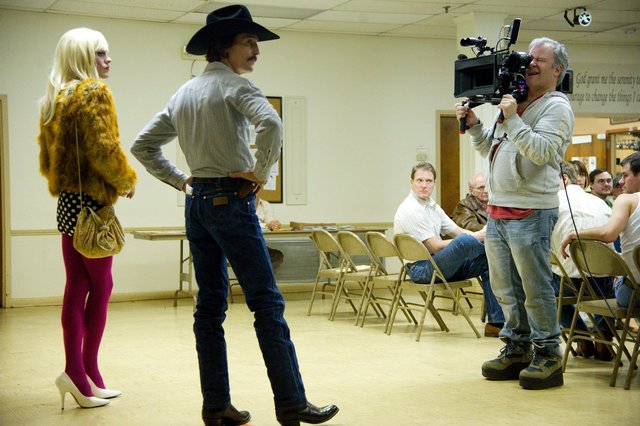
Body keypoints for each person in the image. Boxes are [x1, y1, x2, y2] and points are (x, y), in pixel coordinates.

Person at [130, 5, 338, 426]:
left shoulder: (184, 93)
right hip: (232, 200)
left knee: (209, 308)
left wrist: (181, 181)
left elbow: (142, 145)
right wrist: (261, 174)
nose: (256, 50)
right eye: (248, 41)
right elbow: (273, 125)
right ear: (223, 47)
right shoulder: (236, 87)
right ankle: (292, 402)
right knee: (266, 302)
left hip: (198, 205)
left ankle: (215, 406)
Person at [455, 37, 574, 390]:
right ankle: (518, 348)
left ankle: (549, 354)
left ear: (557, 70)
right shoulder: (516, 103)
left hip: (532, 210)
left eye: (540, 60)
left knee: (535, 288)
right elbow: (489, 148)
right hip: (498, 211)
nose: (531, 64)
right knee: (506, 287)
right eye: (529, 58)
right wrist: (477, 124)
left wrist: (512, 118)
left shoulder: (557, 107)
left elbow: (540, 152)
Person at [38, 28, 137, 409]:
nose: (108, 60)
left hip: (66, 205)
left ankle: (82, 374)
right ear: (82, 58)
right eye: (100, 53)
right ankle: (83, 371)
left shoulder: (54, 98)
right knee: (102, 287)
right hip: (93, 204)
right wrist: (124, 180)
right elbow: (104, 147)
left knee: (76, 286)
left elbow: (49, 161)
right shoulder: (94, 92)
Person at [393, 162, 505, 337]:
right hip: (421, 269)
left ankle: (496, 323)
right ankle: (500, 248)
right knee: (465, 242)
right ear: (411, 182)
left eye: (428, 181)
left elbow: (457, 231)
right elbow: (436, 247)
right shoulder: (411, 209)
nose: (424, 185)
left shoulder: (432, 206)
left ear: (434, 183)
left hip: (438, 265)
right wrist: (479, 236)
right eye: (420, 180)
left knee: (490, 260)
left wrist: (479, 236)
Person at [561, 152, 640, 309]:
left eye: (625, 175)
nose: (621, 182)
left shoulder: (626, 199)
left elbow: (608, 234)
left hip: (634, 293)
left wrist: (572, 234)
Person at [551, 161, 614, 360]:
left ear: (564, 178)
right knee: (605, 285)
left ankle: (581, 337)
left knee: (545, 288)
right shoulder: (600, 202)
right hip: (604, 279)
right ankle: (604, 339)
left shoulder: (553, 202)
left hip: (571, 282)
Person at [256, 195, 284, 270]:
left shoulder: (266, 205)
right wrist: (267, 225)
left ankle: (263, 279)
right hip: (244, 245)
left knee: (277, 256)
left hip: (260, 245)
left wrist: (273, 224)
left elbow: (270, 223)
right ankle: (260, 279)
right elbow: (249, 224)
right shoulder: (240, 205)